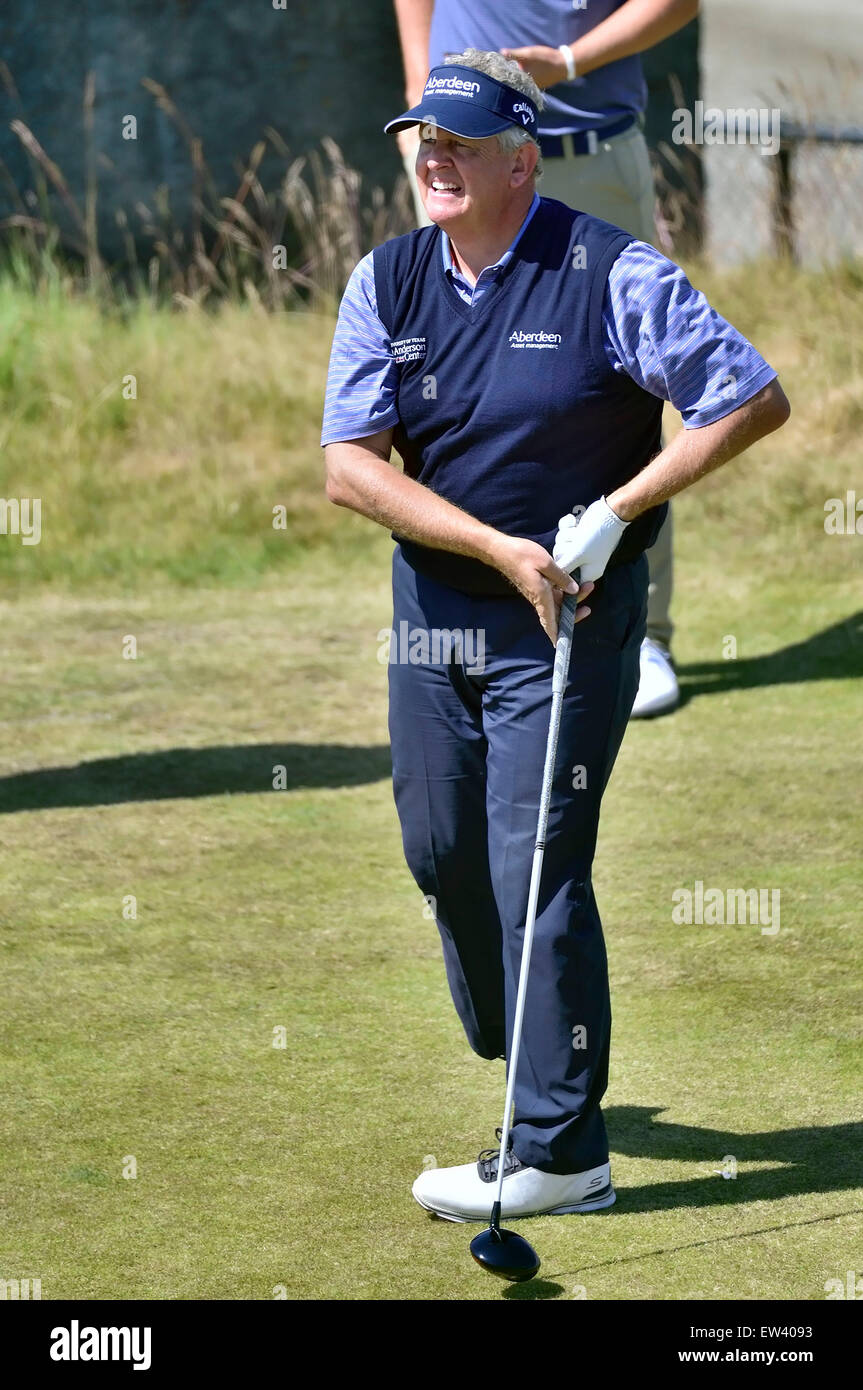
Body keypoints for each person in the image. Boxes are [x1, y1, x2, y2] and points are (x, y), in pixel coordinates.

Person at [321, 50, 789, 1221]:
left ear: (519, 162)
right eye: (423, 139)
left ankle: (556, 1148)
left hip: (568, 626)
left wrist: (620, 509)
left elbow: (746, 394)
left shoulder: (607, 271)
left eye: (462, 144)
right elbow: (346, 468)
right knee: (441, 853)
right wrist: (491, 547)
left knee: (535, 866)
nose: (434, 157)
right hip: (435, 619)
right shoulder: (386, 282)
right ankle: (523, 1044)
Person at [393, 0, 700, 718]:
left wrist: (567, 64)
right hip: (462, 159)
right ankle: (479, 608)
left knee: (619, 396)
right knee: (457, 392)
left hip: (589, 155)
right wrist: (418, 93)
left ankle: (639, 631)